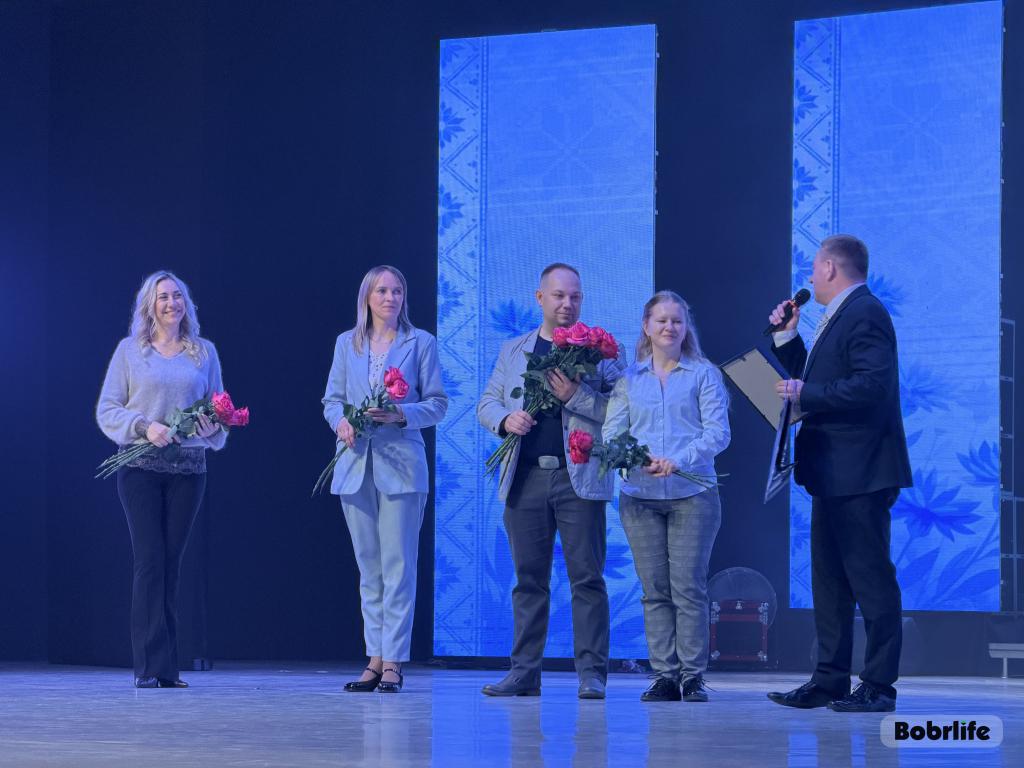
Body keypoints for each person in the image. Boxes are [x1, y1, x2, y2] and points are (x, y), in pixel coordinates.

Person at [766, 235, 912, 713]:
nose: (809, 277)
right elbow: (819, 381)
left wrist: (806, 392)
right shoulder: (841, 314)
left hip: (862, 471)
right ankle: (829, 679)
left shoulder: (866, 312)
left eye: (814, 268)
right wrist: (787, 337)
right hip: (832, 471)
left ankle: (879, 684)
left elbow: (872, 385)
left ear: (830, 267)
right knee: (829, 581)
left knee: (870, 578)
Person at [477, 263, 624, 699]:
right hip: (525, 478)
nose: (567, 304)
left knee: (587, 579)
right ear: (539, 298)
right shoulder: (514, 350)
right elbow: (486, 402)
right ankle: (524, 672)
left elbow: (621, 411)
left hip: (578, 477)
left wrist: (576, 396)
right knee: (528, 580)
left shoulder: (600, 352)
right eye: (558, 295)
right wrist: (506, 419)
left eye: (575, 296)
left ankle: (592, 674)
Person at [97, 271, 227, 689]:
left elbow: (219, 411)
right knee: (149, 561)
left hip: (188, 470)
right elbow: (107, 409)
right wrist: (143, 426)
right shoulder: (130, 351)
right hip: (140, 468)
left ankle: (167, 670)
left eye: (177, 296)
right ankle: (148, 667)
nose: (171, 303)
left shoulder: (203, 352)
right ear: (149, 306)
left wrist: (213, 429)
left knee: (171, 565)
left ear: (186, 303)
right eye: (163, 298)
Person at [323, 265, 447, 693]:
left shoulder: (420, 342)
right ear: (367, 297)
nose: (390, 297)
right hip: (355, 464)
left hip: (402, 467)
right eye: (382, 290)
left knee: (398, 565)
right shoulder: (347, 343)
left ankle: (393, 659)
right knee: (368, 566)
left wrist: (400, 414)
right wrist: (341, 422)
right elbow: (332, 400)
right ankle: (374, 657)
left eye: (397, 291)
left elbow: (437, 404)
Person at [603, 291, 730, 703]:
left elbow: (718, 433)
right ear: (646, 326)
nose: (669, 327)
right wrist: (634, 460)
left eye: (677, 320)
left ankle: (692, 676)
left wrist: (679, 460)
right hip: (640, 496)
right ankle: (664, 675)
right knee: (654, 589)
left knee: (688, 587)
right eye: (661, 320)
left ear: (686, 326)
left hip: (692, 493)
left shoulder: (704, 374)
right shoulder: (629, 379)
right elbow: (612, 433)